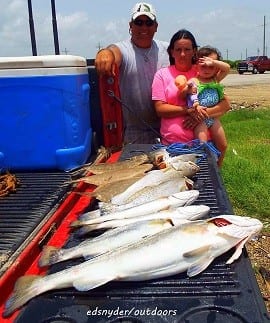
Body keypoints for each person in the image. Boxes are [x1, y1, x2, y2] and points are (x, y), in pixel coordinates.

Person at [152, 29, 230, 164]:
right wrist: (188, 111)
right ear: (171, 51)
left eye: (187, 49)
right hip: (174, 145)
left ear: (194, 51)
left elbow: (225, 105)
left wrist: (201, 116)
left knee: (207, 180)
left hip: (207, 140)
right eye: (178, 49)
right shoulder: (162, 75)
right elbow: (160, 109)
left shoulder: (204, 70)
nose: (183, 54)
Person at [95, 2, 169, 144]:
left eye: (148, 23)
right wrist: (105, 52)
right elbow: (113, 52)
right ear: (131, 25)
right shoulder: (123, 49)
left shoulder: (168, 49)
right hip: (134, 132)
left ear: (156, 26)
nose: (144, 27)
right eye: (138, 22)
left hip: (167, 127)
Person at [175, 46, 230, 166]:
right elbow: (182, 95)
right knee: (202, 145)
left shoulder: (216, 79)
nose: (207, 69)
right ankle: (201, 167)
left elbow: (227, 68)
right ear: (196, 66)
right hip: (200, 120)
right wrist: (187, 89)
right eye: (203, 65)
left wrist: (213, 61)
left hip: (213, 118)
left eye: (211, 66)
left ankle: (217, 168)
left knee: (223, 145)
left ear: (216, 68)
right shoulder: (194, 81)